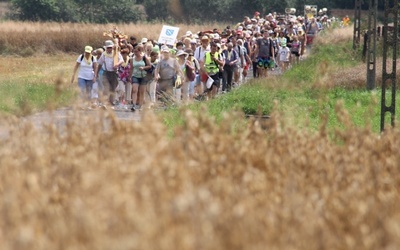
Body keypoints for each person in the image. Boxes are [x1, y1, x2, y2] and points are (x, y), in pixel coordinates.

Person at [95, 40, 124, 107]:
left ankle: (111, 102)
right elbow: (100, 64)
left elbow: (121, 60)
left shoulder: (116, 53)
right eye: (108, 48)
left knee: (113, 88)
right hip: (106, 73)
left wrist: (117, 64)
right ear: (106, 48)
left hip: (114, 73)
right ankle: (104, 102)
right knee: (106, 88)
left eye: (110, 47)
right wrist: (96, 73)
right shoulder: (104, 54)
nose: (109, 49)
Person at [129, 44, 151, 111]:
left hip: (143, 76)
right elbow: (131, 68)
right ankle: (134, 105)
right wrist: (130, 76)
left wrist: (143, 68)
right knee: (134, 90)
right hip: (135, 75)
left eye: (136, 52)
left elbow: (149, 66)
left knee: (142, 91)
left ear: (140, 51)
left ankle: (141, 105)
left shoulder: (144, 58)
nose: (135, 53)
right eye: (134, 52)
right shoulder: (132, 59)